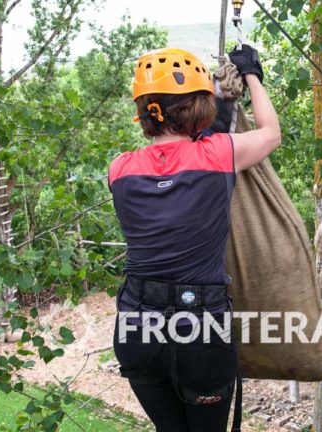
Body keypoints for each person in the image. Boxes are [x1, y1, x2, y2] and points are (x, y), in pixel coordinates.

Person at [108, 46, 280, 432]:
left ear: (144, 113)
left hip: (137, 326)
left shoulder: (118, 169)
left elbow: (175, 157)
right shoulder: (219, 154)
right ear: (199, 108)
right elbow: (271, 133)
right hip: (201, 329)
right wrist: (251, 76)